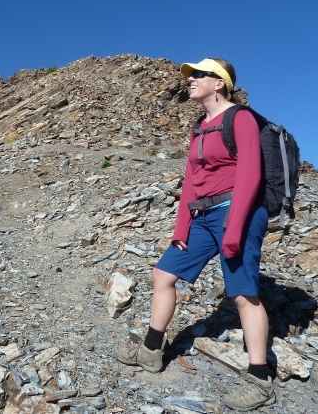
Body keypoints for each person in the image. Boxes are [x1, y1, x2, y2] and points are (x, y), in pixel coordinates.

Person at [112, 58, 275, 411]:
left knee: (243, 293)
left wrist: (234, 228)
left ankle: (260, 378)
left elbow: (250, 174)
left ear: (220, 83)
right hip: (201, 215)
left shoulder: (240, 118)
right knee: (163, 274)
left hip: (238, 212)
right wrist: (181, 228)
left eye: (200, 75)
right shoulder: (200, 126)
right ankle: (151, 350)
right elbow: (191, 181)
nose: (191, 80)